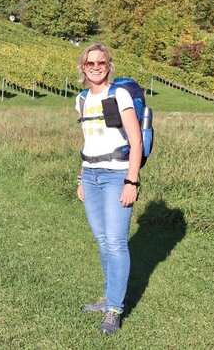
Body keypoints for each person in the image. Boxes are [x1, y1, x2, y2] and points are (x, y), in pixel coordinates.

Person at [74, 43, 142, 335]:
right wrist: (81, 178)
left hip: (117, 176)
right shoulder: (80, 99)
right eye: (90, 63)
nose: (96, 67)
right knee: (103, 241)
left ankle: (114, 308)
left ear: (109, 64)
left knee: (116, 242)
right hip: (91, 176)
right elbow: (88, 141)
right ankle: (107, 297)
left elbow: (136, 141)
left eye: (101, 62)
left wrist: (131, 180)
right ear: (83, 67)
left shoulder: (120, 94)